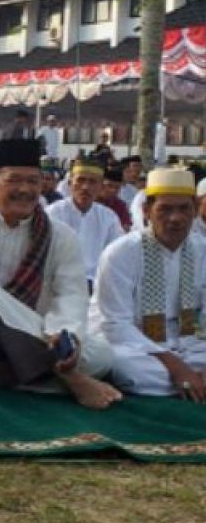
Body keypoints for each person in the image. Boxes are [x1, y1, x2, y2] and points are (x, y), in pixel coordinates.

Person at [0, 138, 120, 409]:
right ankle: (64, 376)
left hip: (38, 331)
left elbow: (71, 295)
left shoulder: (60, 235)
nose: (25, 189)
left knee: (103, 357)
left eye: (33, 181)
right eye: (15, 180)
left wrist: (63, 335)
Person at [91, 168, 206, 400]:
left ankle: (190, 382)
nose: (176, 218)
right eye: (165, 209)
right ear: (147, 211)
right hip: (132, 339)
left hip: (188, 338)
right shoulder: (121, 252)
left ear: (195, 211)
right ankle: (189, 382)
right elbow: (115, 324)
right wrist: (174, 365)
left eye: (184, 209)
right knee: (125, 366)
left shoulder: (202, 248)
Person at [46, 160, 125, 290]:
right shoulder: (53, 213)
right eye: (81, 180)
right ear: (70, 183)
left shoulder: (108, 217)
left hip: (97, 285)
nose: (85, 187)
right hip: (57, 284)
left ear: (100, 186)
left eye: (92, 182)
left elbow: (117, 255)